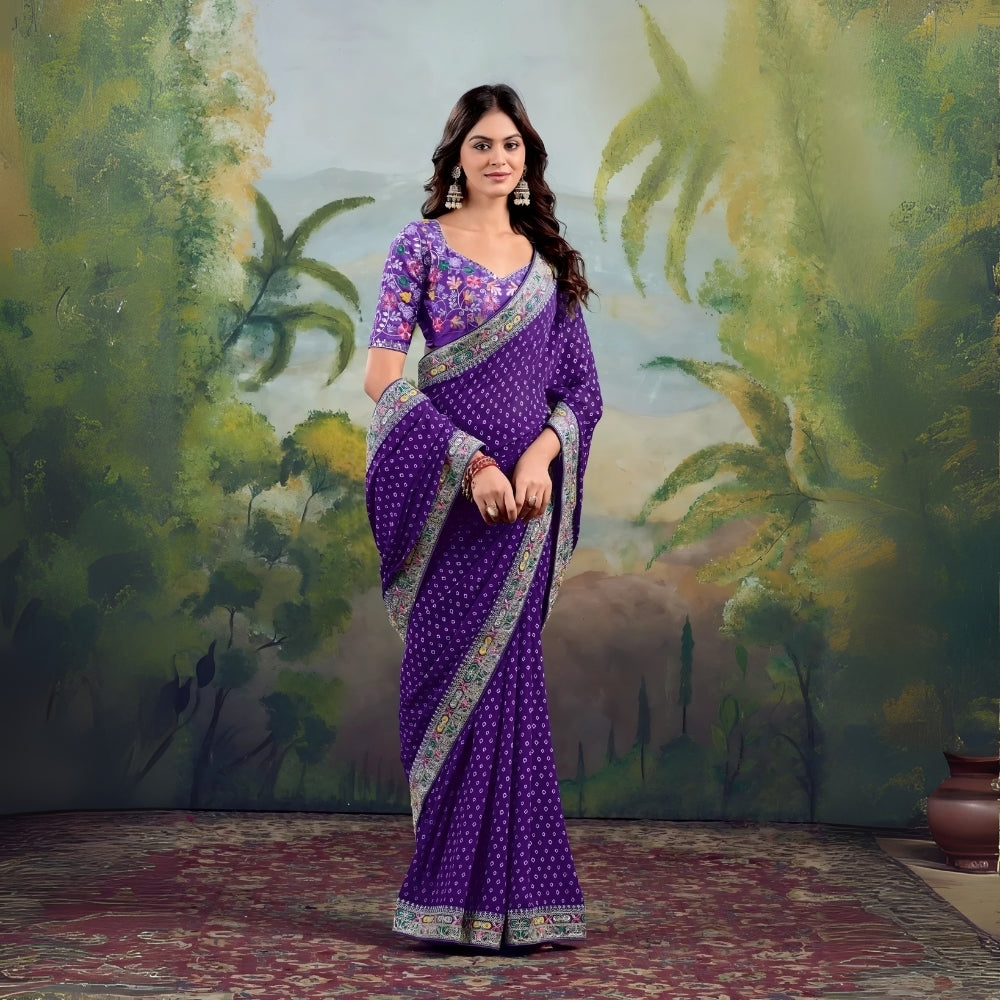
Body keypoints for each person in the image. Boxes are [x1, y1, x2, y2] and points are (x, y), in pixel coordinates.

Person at [363, 83, 602, 950]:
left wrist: (538, 458)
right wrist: (469, 464)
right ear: (455, 157)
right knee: (440, 691)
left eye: (511, 145)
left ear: (528, 160)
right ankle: (442, 895)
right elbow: (384, 377)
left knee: (510, 698)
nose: (498, 158)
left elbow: (582, 390)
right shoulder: (417, 248)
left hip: (523, 515)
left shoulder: (548, 266)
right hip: (447, 510)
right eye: (481, 145)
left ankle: (519, 904)